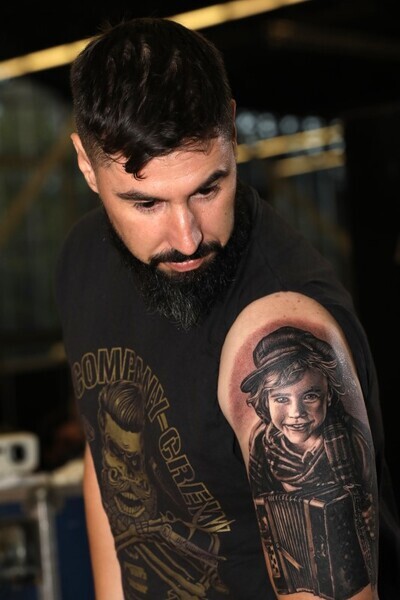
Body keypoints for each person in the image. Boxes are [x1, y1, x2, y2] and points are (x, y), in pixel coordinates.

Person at [55, 16, 400, 600]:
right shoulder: (83, 259)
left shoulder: (280, 333)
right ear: (87, 166)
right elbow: (106, 460)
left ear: (232, 132)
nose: (187, 237)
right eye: (146, 204)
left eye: (208, 189)